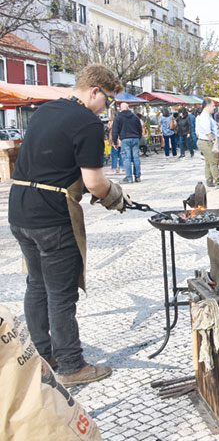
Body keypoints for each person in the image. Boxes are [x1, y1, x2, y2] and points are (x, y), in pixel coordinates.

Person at [9, 65, 129, 385]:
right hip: (51, 216)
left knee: (37, 284)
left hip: (20, 210)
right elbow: (95, 183)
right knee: (61, 294)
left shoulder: (46, 110)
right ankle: (72, 366)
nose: (108, 107)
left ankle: (41, 354)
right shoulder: (88, 122)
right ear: (94, 91)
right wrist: (116, 197)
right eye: (108, 99)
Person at [112, 101, 142, 183]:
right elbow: (140, 129)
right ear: (128, 108)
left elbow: (115, 131)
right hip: (135, 138)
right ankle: (137, 176)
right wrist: (138, 137)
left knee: (126, 158)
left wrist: (115, 142)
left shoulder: (118, 118)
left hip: (125, 139)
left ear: (120, 109)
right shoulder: (135, 117)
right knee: (136, 158)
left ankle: (129, 178)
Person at [196, 99, 219, 188]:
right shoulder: (204, 116)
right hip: (206, 141)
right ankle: (218, 180)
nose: (214, 108)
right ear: (208, 106)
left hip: (205, 141)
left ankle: (209, 181)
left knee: (208, 162)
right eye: (213, 106)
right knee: (214, 162)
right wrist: (213, 140)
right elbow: (207, 130)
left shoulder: (208, 116)